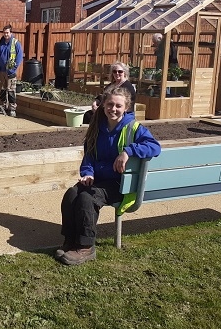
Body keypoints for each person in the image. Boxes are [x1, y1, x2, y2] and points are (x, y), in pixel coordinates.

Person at [57, 87, 161, 265]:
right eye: (110, 104)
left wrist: (128, 151)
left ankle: (86, 247)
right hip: (98, 180)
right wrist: (87, 173)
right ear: (104, 105)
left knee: (86, 198)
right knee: (71, 194)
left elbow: (155, 147)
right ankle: (71, 241)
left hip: (120, 184)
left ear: (126, 108)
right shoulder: (97, 128)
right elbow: (89, 155)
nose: (113, 109)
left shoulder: (133, 128)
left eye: (118, 106)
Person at [0, 24, 24, 117]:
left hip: (11, 72)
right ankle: (3, 107)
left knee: (11, 91)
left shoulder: (16, 43)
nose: (6, 34)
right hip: (1, 71)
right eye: (4, 32)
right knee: (2, 90)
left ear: (11, 33)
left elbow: (19, 58)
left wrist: (12, 69)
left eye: (7, 32)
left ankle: (12, 109)